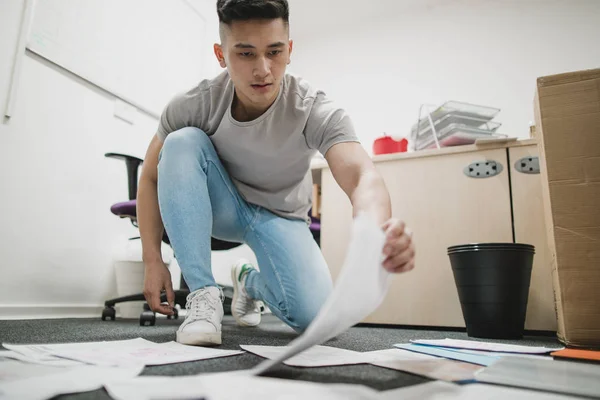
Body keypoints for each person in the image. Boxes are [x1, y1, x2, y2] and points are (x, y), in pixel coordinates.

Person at [138, 0, 416, 346]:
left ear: (290, 50)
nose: (264, 69)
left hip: (281, 216)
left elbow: (362, 175)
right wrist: (152, 259)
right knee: (180, 143)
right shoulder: (194, 104)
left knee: (316, 318)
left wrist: (377, 235)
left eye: (274, 51)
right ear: (221, 55)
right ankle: (203, 295)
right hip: (223, 206)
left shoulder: (313, 107)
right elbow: (150, 175)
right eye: (246, 54)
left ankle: (246, 281)